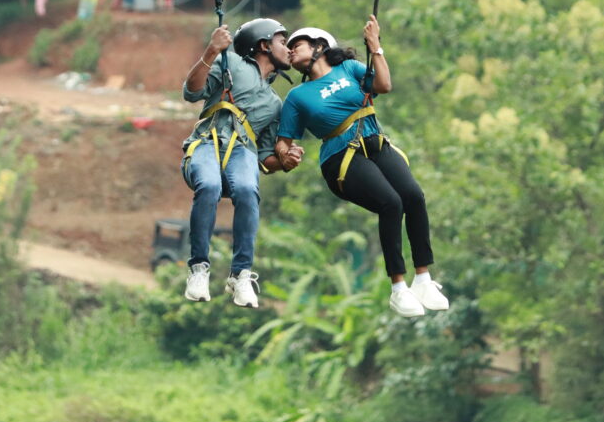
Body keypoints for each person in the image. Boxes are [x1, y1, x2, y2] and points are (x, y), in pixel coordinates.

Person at [274, 16, 449, 318]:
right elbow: (283, 139)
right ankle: (398, 287)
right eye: (287, 48)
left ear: (318, 46)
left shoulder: (349, 69)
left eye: (296, 45)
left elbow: (384, 85)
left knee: (414, 196)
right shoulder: (297, 97)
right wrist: (286, 154)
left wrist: (375, 46)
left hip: (374, 142)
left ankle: (423, 279)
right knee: (390, 202)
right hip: (340, 158)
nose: (290, 51)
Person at [180, 18, 304, 308]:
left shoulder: (276, 104)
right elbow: (191, 91)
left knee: (248, 191)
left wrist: (284, 161)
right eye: (282, 42)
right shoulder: (231, 64)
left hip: (242, 152)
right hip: (208, 143)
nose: (288, 50)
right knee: (209, 185)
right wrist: (211, 52)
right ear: (263, 45)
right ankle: (199, 268)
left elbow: (265, 159)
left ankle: (241, 274)